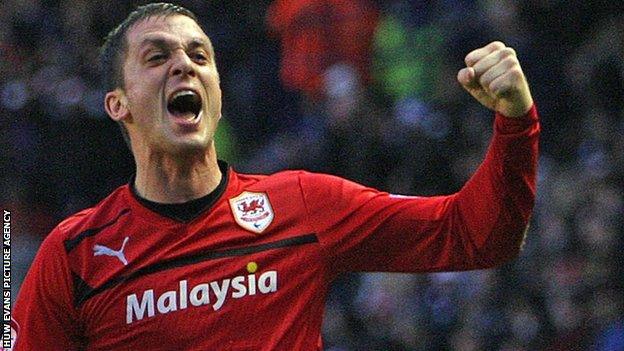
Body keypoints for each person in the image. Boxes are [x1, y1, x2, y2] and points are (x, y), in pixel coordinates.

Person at [11, 2, 539, 350]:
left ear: (217, 92)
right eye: (157, 57)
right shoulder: (75, 253)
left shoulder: (302, 205)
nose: (185, 65)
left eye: (200, 55)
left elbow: (477, 234)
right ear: (118, 104)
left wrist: (516, 122)